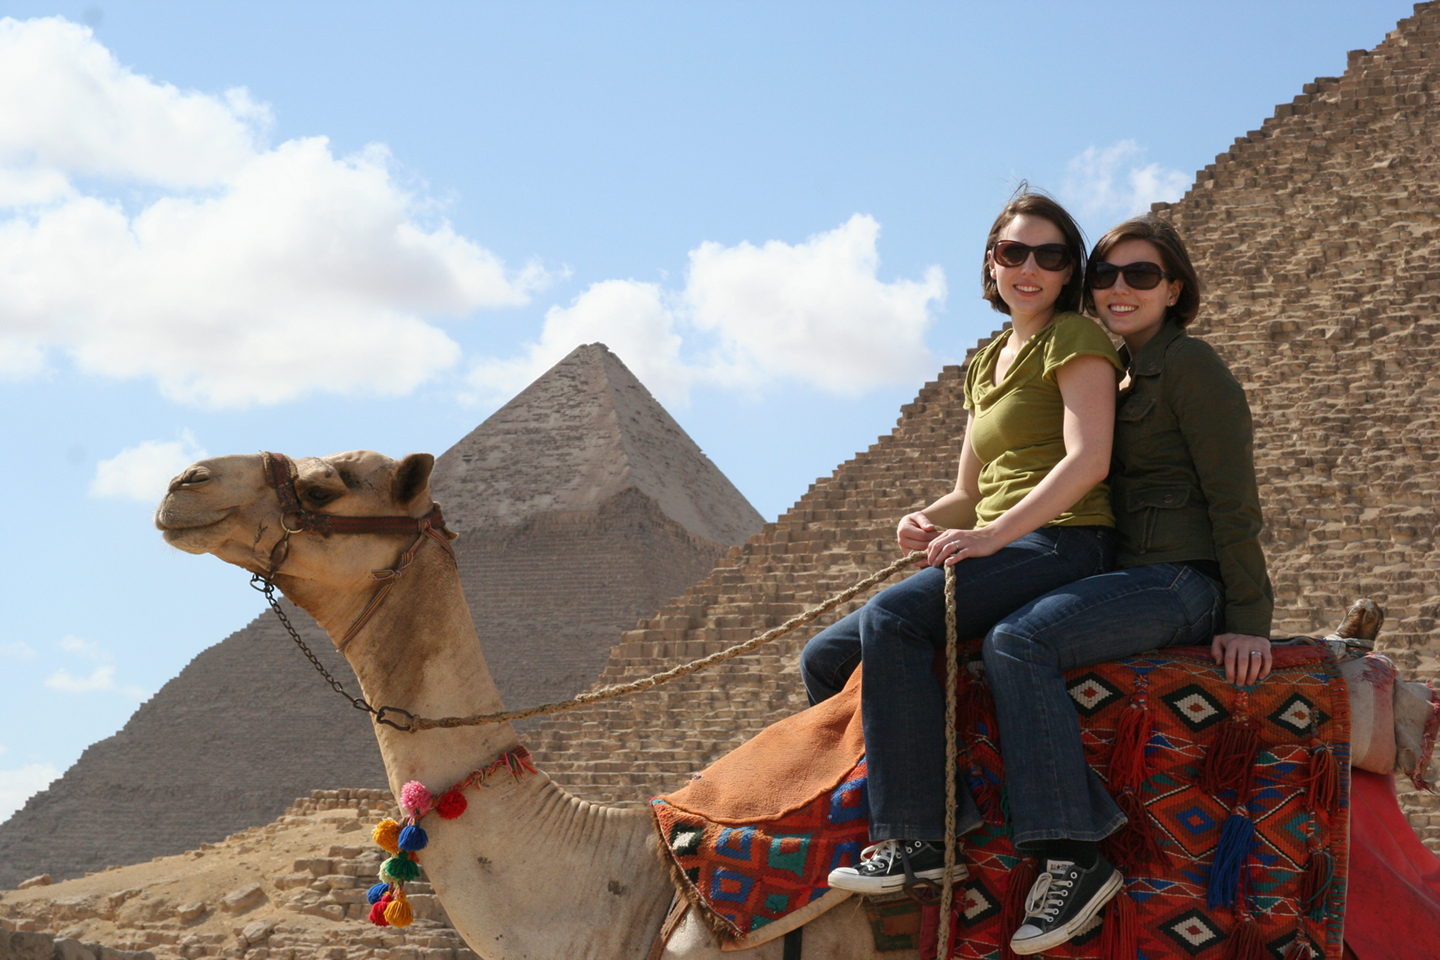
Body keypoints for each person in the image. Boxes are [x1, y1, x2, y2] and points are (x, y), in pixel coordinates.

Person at [805, 190, 1124, 895]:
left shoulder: (1076, 338)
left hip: (1065, 540)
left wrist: (991, 535)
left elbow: (1089, 460)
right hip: (1004, 541)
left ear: (1070, 271)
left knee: (893, 617)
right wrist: (923, 517)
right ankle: (891, 809)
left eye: (1050, 256)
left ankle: (922, 837)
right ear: (991, 263)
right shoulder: (986, 363)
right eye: (1015, 252)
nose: (1029, 269)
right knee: (825, 657)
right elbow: (969, 490)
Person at [990, 215, 1274, 955]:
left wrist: (1249, 619)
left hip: (1183, 582)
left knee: (1019, 641)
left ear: (1174, 289)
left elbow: (1234, 500)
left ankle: (1073, 854)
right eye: (1105, 275)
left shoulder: (1190, 367)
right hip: (1125, 577)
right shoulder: (1111, 374)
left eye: (1142, 275)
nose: (1119, 288)